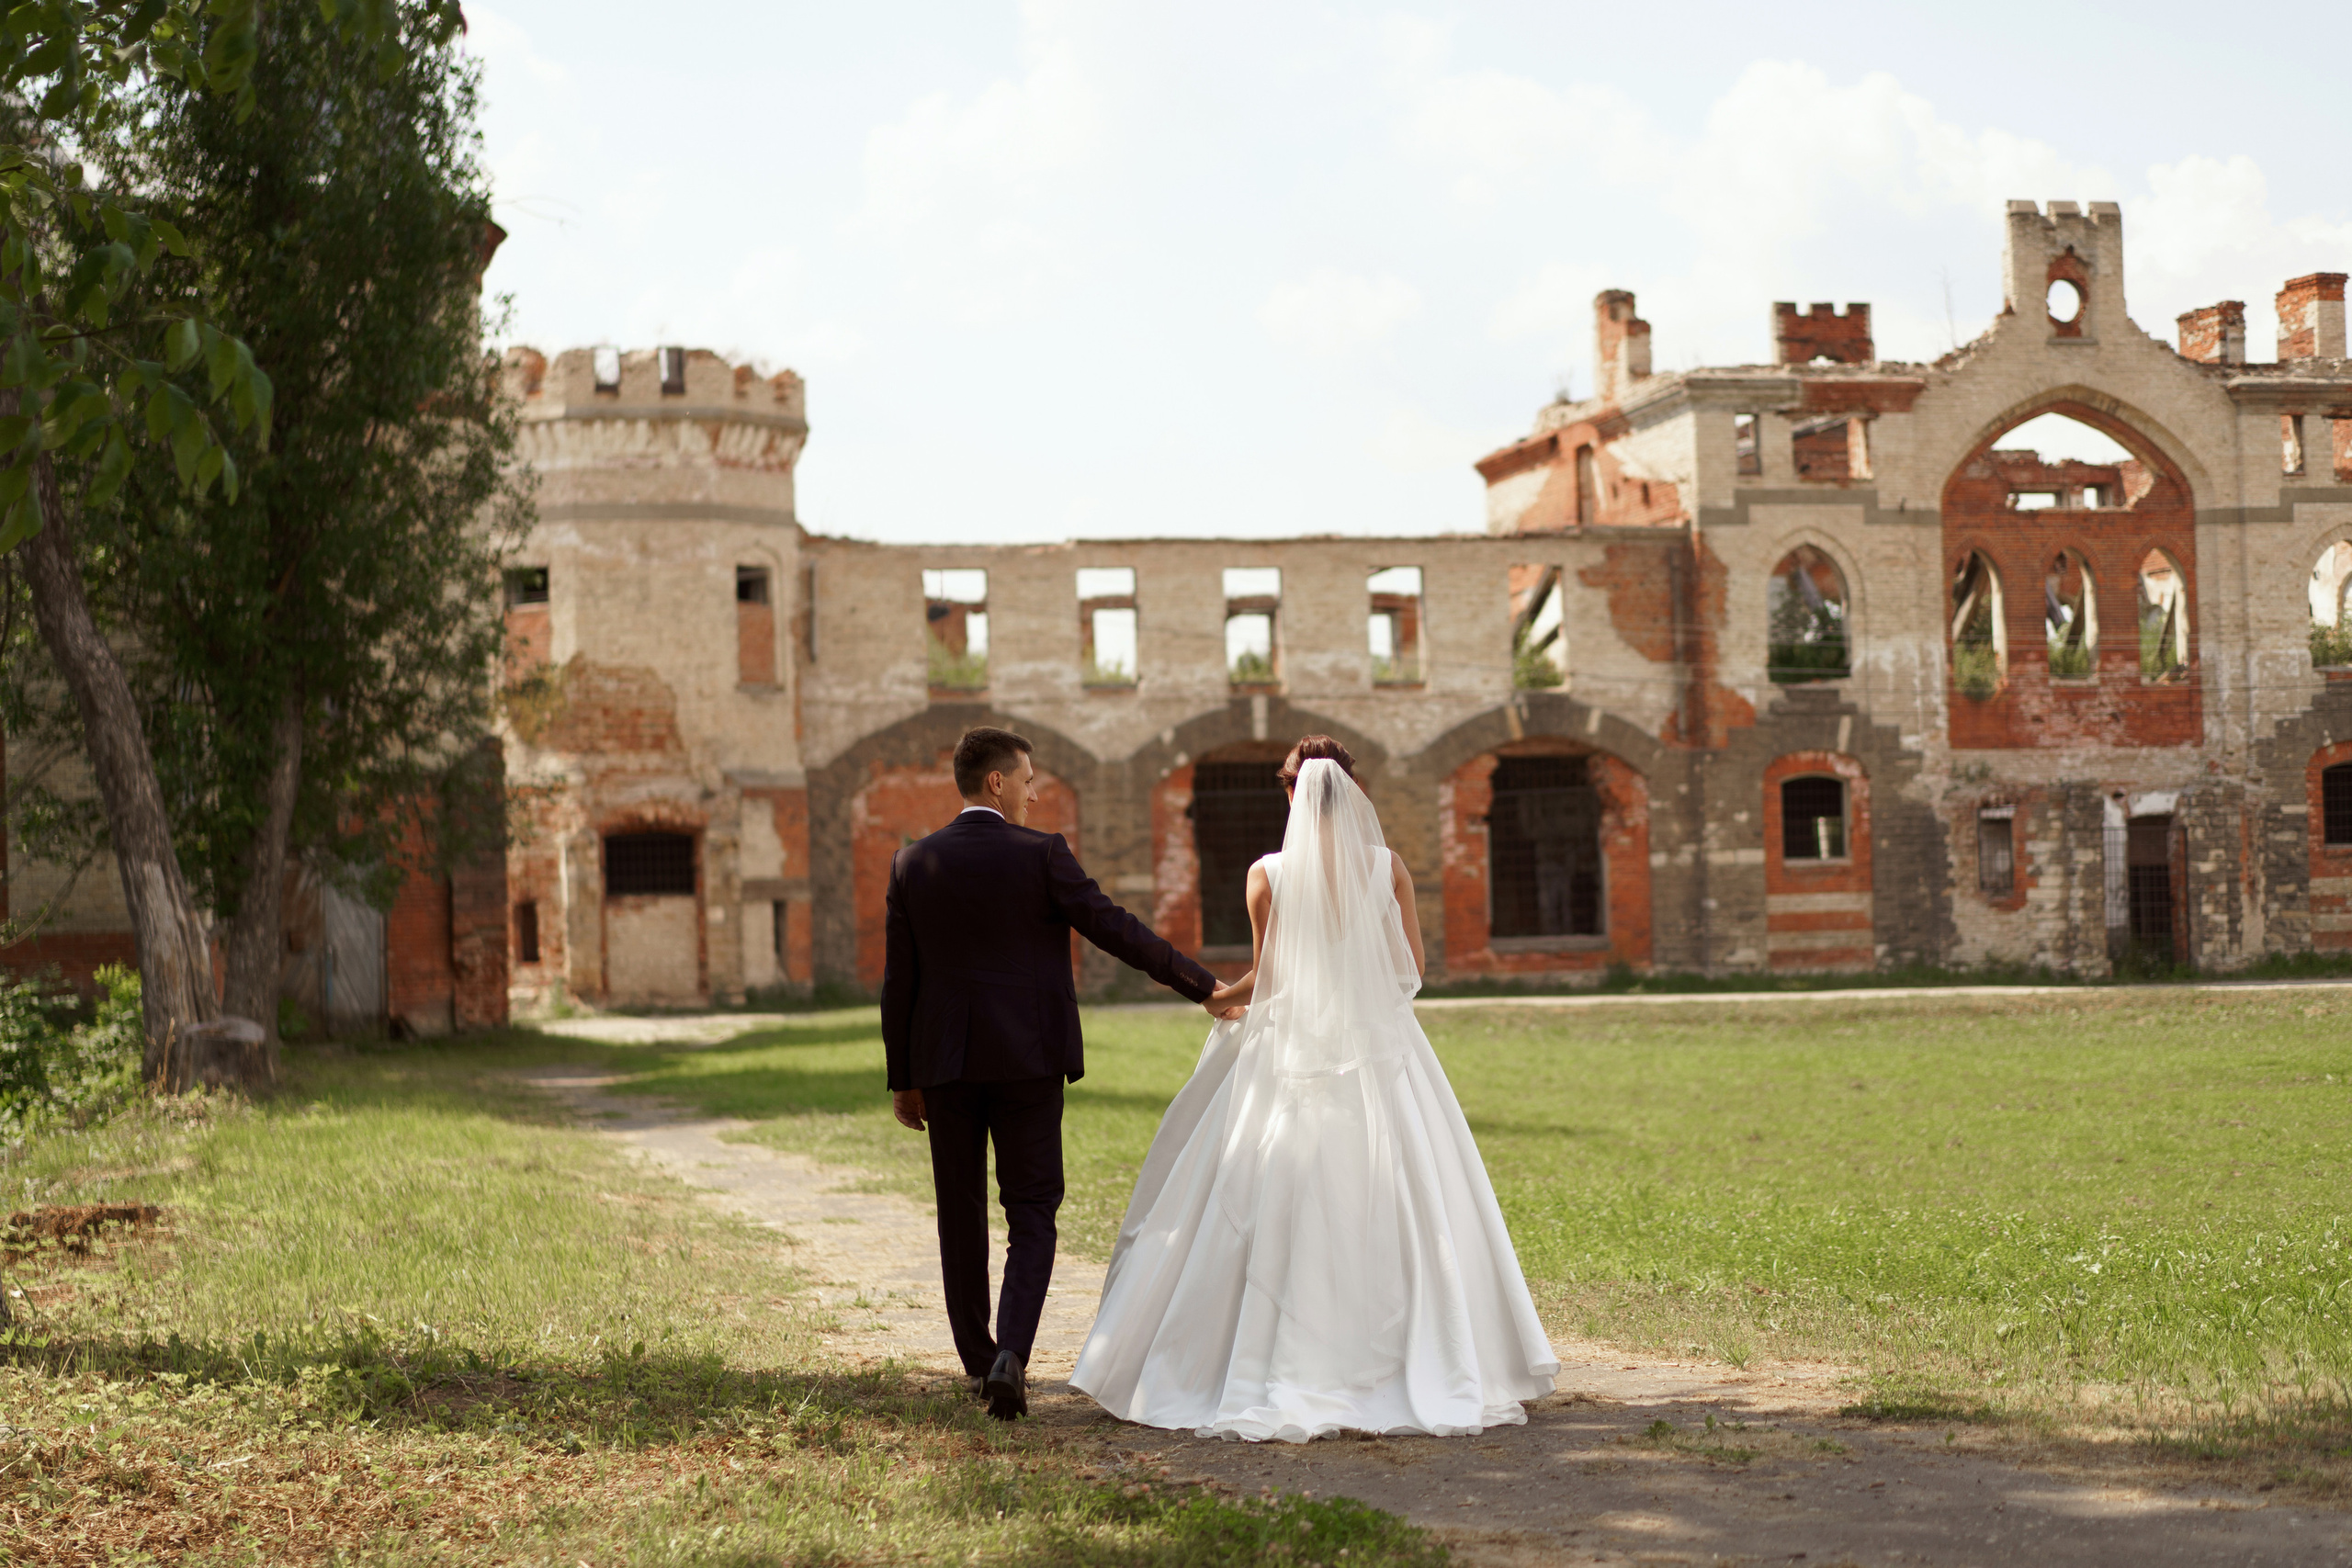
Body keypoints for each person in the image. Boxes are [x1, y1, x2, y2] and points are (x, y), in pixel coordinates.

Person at [1071, 736, 1559, 1441]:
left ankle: (1264, 1355)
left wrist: (1215, 995)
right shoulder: (1388, 867)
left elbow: (1271, 978)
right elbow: (1411, 969)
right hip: (1379, 1051)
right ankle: (1423, 1354)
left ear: (1289, 791)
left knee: (1271, 1183)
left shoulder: (1268, 873)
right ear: (1353, 791)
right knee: (1405, 1189)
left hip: (1293, 1050)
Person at [884, 726, 1236, 1422]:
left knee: (959, 1211)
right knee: (1033, 1208)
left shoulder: (911, 863)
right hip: (1029, 1059)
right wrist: (1202, 986)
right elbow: (1115, 927)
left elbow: (901, 982)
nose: (1033, 793)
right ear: (997, 782)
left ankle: (980, 1360)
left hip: (945, 1067)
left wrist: (904, 1077)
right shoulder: (1041, 853)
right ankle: (1012, 1353)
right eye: (1027, 779)